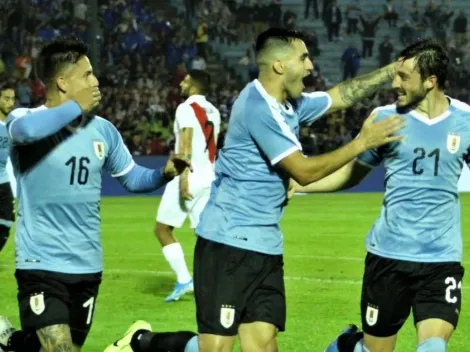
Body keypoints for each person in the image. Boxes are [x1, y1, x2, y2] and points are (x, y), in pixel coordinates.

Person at [192, 27, 404, 352]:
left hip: (265, 246)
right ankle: (149, 343)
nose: (310, 67)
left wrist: (391, 71)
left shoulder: (290, 104)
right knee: (216, 348)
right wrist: (363, 142)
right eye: (303, 58)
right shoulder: (257, 106)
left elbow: (341, 96)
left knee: (263, 345)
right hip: (228, 244)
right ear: (279, 65)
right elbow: (303, 172)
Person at [0, 36, 190, 352]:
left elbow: (133, 178)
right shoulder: (24, 119)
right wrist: (76, 108)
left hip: (88, 266)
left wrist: (163, 173)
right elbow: (24, 133)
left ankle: (10, 341)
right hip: (41, 264)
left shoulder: (103, 129)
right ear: (62, 82)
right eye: (87, 75)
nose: (96, 81)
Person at [294, 39, 466, 352]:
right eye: (395, 75)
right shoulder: (382, 119)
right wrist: (301, 184)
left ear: (431, 82)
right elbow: (350, 175)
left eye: (404, 77)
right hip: (389, 257)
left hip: (441, 258)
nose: (395, 83)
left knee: (433, 348)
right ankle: (348, 345)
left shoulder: (466, 121)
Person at [155, 70, 221, 302]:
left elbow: (185, 141)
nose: (181, 83)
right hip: (209, 177)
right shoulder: (214, 111)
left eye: (185, 80)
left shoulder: (185, 108)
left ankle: (184, 280)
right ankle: (215, 282)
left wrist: (182, 177)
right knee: (204, 234)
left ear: (194, 86)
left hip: (189, 175)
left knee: (162, 230)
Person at [0, 84, 16, 252]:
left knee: (7, 221)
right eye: (6, 98)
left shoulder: (11, 127)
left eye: (12, 99)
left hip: (3, 181)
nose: (10, 102)